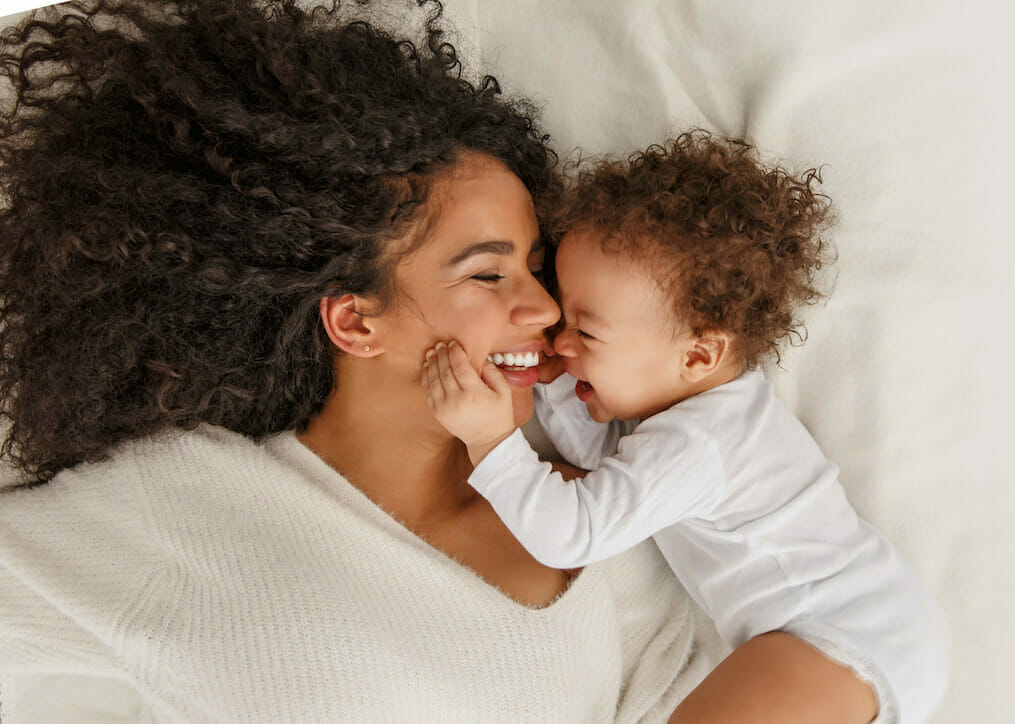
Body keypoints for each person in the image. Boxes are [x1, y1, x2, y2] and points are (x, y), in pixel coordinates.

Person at [0, 1, 887, 721]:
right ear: (355, 321)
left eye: (537, 270)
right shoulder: (184, 505)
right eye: (488, 272)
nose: (541, 310)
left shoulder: (597, 495)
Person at [423, 134, 949, 723]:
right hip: (861, 630)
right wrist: (556, 378)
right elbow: (603, 461)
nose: (559, 341)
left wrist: (491, 442)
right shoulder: (691, 410)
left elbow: (575, 529)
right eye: (564, 319)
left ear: (699, 355)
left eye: (586, 334)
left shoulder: (702, 441)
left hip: (841, 635)